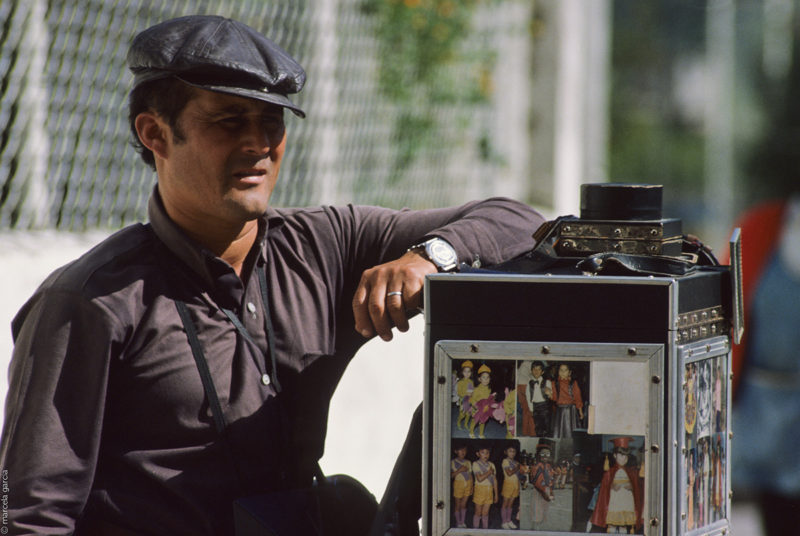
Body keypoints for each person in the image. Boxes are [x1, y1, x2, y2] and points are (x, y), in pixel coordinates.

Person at [0, 15, 545, 535]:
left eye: (272, 122)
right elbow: (29, 514)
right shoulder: (90, 301)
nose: (259, 145)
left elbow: (521, 223)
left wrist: (431, 258)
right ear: (155, 135)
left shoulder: (327, 245)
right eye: (229, 121)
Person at [589, 437, 643, 534]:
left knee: (624, 526)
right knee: (612, 526)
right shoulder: (610, 473)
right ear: (615, 455)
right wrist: (611, 486)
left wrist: (631, 487)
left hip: (627, 502)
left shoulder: (631, 472)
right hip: (614, 502)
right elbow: (604, 489)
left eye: (626, 456)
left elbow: (637, 487)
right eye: (621, 455)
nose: (624, 458)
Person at [549, 363, 584, 438]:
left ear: (569, 372)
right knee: (560, 431)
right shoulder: (554, 383)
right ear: (558, 371)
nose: (563, 372)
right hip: (560, 410)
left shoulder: (573, 383)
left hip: (571, 410)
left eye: (565, 370)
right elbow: (555, 398)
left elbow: (578, 397)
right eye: (561, 370)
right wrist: (549, 394)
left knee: (570, 430)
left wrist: (580, 411)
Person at [518, 360, 551, 437]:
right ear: (531, 371)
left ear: (542, 372)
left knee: (546, 425)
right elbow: (528, 397)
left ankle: (545, 436)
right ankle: (536, 435)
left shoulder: (547, 382)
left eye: (539, 369)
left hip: (545, 406)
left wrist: (549, 393)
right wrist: (531, 409)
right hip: (535, 406)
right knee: (537, 425)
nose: (536, 371)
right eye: (534, 369)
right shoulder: (530, 383)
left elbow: (551, 395)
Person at [471, 446, 498, 529]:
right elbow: (479, 479)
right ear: (478, 454)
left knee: (486, 513)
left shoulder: (491, 465)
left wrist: (496, 494)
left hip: (489, 491)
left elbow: (494, 480)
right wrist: (489, 472)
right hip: (479, 490)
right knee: (478, 512)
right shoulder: (475, 464)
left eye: (487, 452)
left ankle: (485, 531)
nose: (485, 455)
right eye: (483, 452)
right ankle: (475, 530)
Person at [450, 443, 473, 528]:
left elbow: (470, 475)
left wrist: (472, 487)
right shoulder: (453, 462)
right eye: (461, 450)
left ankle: (462, 522)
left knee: (464, 504)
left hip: (468, 484)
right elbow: (451, 475)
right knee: (458, 504)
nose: (463, 452)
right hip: (458, 484)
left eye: (465, 450)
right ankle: (458, 522)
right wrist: (459, 470)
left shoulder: (468, 462)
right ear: (456, 451)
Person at [500, 444, 521, 529]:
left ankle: (509, 520)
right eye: (510, 451)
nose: (512, 453)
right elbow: (509, 473)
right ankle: (504, 522)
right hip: (508, 485)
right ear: (506, 452)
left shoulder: (516, 462)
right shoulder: (505, 461)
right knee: (505, 504)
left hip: (515, 485)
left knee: (511, 505)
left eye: (514, 451)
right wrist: (517, 467)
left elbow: (518, 475)